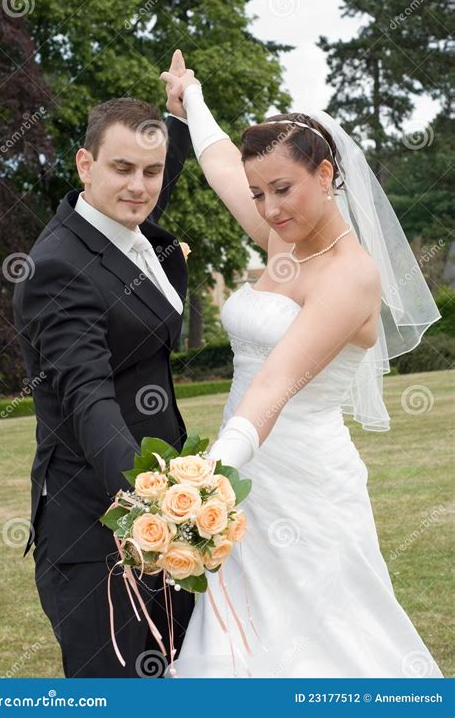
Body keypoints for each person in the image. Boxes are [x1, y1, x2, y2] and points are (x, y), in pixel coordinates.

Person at [159, 52, 444, 678]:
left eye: (281, 189)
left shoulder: (352, 274)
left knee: (324, 645)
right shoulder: (281, 240)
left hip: (299, 483)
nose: (266, 207)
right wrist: (193, 97)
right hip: (244, 479)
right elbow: (217, 164)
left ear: (326, 171)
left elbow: (276, 382)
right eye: (259, 193)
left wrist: (205, 482)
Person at [12, 54, 194, 678]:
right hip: (98, 535)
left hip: (156, 525)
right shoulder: (58, 269)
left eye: (152, 171)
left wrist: (181, 117)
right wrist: (158, 508)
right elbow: (89, 400)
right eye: (121, 169)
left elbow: (152, 175)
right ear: (85, 165)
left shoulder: (124, 221)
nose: (140, 186)